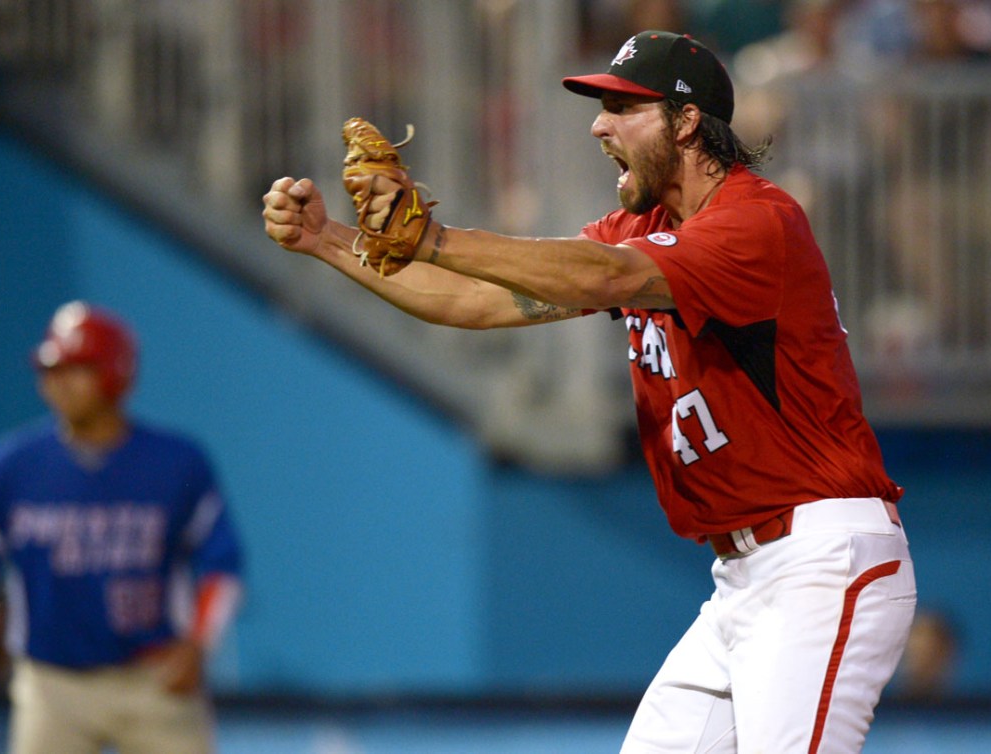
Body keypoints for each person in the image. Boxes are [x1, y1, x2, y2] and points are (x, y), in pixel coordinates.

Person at [263, 29, 916, 753]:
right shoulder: (642, 227)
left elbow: (603, 276)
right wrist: (328, 241)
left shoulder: (756, 221)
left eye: (623, 107)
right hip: (742, 578)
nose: (599, 123)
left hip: (819, 561)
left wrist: (431, 236)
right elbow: (473, 301)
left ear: (687, 121)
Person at [0, 300, 246, 754]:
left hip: (153, 679)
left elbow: (222, 564)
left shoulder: (174, 462)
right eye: (51, 369)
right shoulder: (12, 465)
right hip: (52, 682)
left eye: (76, 368)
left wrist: (198, 644)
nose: (57, 382)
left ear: (116, 374)